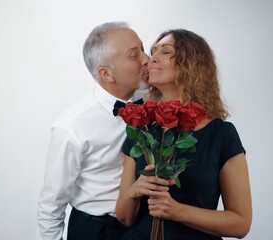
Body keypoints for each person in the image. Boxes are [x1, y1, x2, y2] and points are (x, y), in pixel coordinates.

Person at [115, 29, 252, 239]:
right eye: (153, 51)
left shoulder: (221, 134)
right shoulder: (141, 126)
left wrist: (177, 211)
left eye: (166, 51)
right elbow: (125, 218)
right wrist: (135, 191)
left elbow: (241, 224)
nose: (153, 58)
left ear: (191, 65)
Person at [37, 21, 149, 240]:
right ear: (106, 74)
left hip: (142, 224)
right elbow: (52, 203)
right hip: (96, 230)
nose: (146, 59)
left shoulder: (152, 101)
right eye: (134, 55)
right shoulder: (71, 126)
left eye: (144, 49)